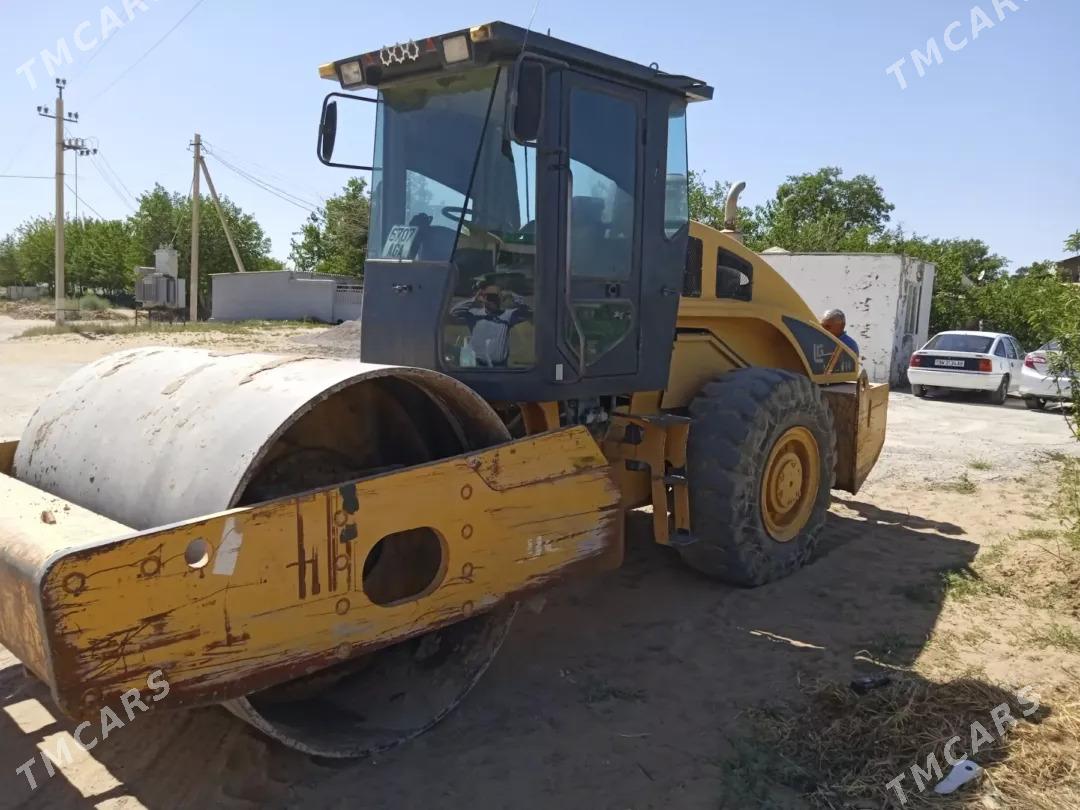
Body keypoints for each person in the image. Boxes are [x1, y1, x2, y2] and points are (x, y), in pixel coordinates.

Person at [449, 282, 532, 367]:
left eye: (496, 297)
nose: (493, 301)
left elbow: (528, 313)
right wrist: (474, 299)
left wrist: (512, 295)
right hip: (476, 366)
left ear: (500, 298)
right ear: (484, 297)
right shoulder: (475, 314)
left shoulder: (508, 315)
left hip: (500, 368)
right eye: (490, 297)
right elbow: (453, 312)